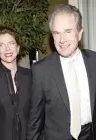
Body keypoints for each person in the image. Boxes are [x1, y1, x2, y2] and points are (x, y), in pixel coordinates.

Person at [27, 4, 96, 140]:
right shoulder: (41, 70)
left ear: (80, 33)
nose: (62, 40)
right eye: (56, 33)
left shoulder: (94, 61)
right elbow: (35, 121)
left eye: (68, 31)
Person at [0, 26, 31, 140]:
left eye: (11, 43)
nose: (7, 48)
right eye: (1, 45)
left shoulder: (31, 76)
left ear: (18, 47)